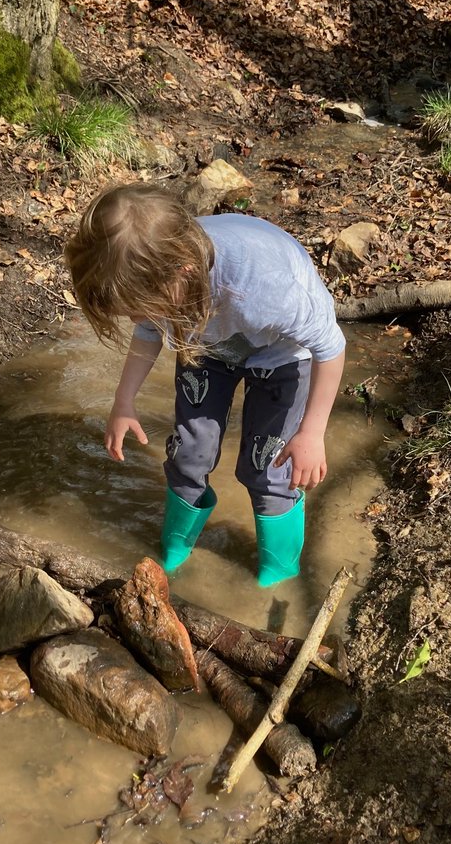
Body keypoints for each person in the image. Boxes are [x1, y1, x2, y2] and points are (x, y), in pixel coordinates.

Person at [65, 182, 346, 587]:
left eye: (138, 309)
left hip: (283, 352)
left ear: (183, 273)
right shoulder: (150, 264)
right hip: (205, 341)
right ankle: (179, 539)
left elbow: (331, 347)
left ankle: (279, 567)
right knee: (188, 453)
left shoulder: (261, 290)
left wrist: (312, 432)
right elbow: (148, 330)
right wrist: (123, 401)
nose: (133, 320)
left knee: (267, 468)